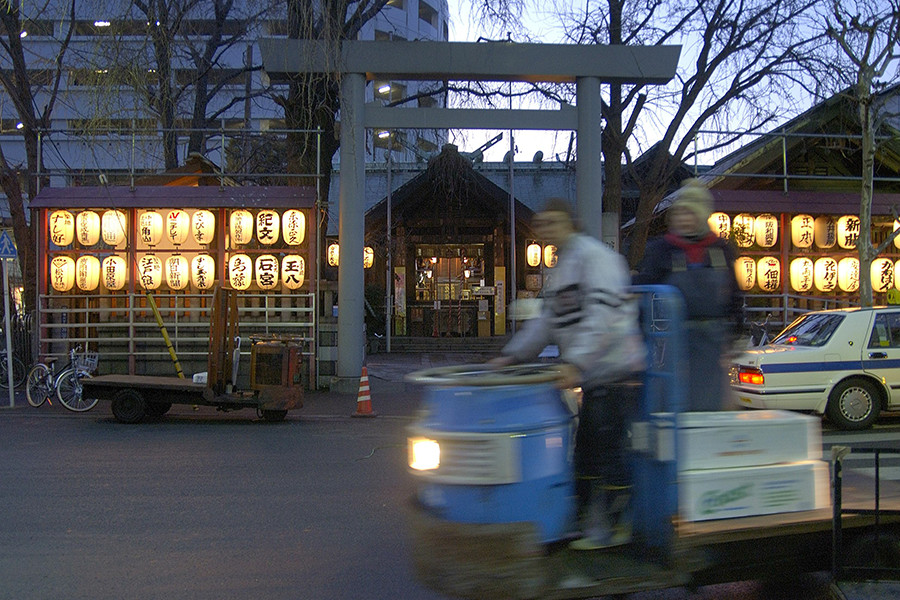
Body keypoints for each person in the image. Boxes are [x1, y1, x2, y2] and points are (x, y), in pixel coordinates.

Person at [492, 197, 647, 550]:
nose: (546, 230)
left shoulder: (597, 259)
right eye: (542, 224)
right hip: (593, 375)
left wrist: (575, 362)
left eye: (553, 222)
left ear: (571, 222)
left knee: (606, 449)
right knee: (585, 451)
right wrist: (511, 356)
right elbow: (547, 321)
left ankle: (615, 528)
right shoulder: (562, 267)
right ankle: (580, 522)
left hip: (615, 370)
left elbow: (603, 316)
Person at [633, 178, 743, 412]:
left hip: (711, 342)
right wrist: (640, 334)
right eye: (680, 213)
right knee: (671, 402)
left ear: (702, 215)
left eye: (690, 213)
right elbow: (644, 293)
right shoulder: (661, 250)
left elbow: (734, 294)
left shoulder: (720, 250)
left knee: (708, 404)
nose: (684, 219)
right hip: (670, 341)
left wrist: (737, 332)